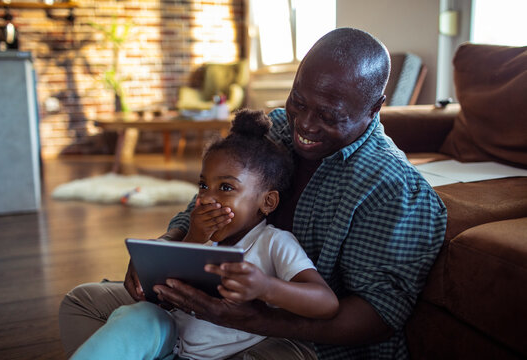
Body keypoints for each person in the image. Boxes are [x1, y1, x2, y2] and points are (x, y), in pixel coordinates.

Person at [60, 27, 447, 359]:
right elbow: (206, 200)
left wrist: (255, 317)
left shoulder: (393, 189)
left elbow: (377, 317)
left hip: (297, 341)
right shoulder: (276, 127)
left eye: (329, 115)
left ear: (376, 108)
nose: (305, 125)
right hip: (200, 317)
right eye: (299, 101)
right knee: (81, 303)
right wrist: (163, 251)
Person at [66, 109, 339, 360]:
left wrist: (266, 287)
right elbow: (163, 294)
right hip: (170, 343)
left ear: (267, 202)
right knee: (137, 315)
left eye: (226, 188)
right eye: (203, 185)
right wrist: (192, 239)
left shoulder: (274, 243)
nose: (207, 198)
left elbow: (325, 303)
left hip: (229, 353)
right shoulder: (201, 238)